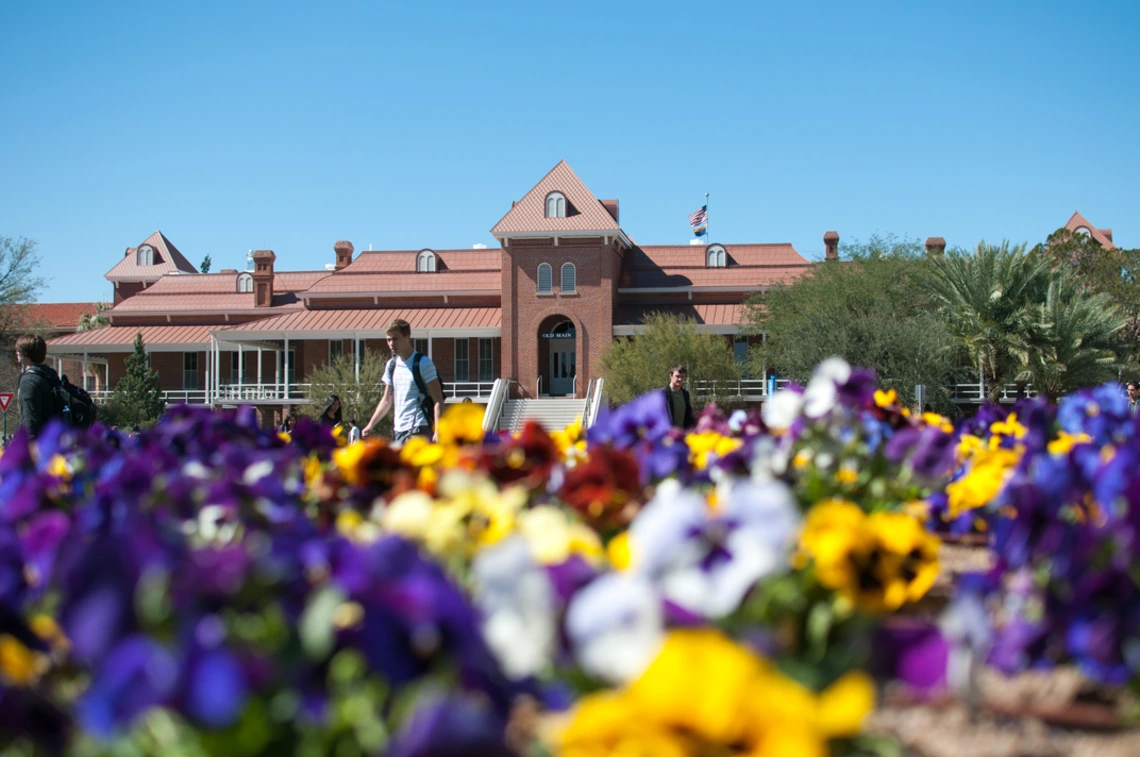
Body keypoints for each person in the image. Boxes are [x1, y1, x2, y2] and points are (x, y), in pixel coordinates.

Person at [363, 319, 444, 444]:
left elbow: (438, 400)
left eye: (395, 339)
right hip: (399, 429)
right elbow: (386, 400)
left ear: (407, 337)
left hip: (419, 426)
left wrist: (438, 430)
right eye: (388, 340)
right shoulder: (391, 365)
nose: (391, 344)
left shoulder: (423, 363)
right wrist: (370, 425)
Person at [15, 334, 63, 439]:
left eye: (19, 350)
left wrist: (29, 446)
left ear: (26, 354)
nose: (16, 352)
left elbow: (30, 418)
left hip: (38, 443)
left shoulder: (29, 380)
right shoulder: (49, 375)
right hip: (52, 438)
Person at [663, 364, 695, 429]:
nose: (680, 379)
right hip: (667, 435)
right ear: (671, 376)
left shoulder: (685, 394)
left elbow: (688, 414)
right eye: (677, 376)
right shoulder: (663, 393)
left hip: (682, 434)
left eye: (682, 377)